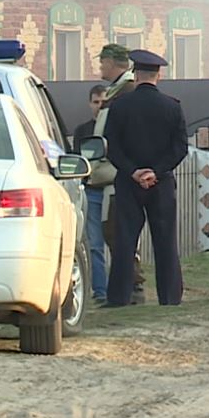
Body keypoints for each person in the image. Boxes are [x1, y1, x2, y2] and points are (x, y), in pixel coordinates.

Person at [102, 50, 189, 306]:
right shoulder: (172, 106)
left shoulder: (119, 106)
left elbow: (112, 146)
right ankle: (170, 296)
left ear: (135, 74)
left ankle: (119, 297)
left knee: (125, 239)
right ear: (158, 75)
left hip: (129, 183)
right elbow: (180, 147)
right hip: (160, 183)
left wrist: (133, 171)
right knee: (165, 240)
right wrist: (156, 171)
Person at [89, 44, 146, 304]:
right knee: (114, 231)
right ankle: (125, 289)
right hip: (111, 171)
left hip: (117, 172)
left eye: (102, 62)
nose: (100, 68)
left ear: (112, 62)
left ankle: (132, 288)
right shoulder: (117, 91)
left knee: (119, 232)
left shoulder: (125, 92)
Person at [73, 84, 109, 303]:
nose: (99, 106)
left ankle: (121, 287)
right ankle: (100, 290)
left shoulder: (114, 127)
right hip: (92, 189)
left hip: (113, 188)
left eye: (103, 102)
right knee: (94, 243)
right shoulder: (82, 131)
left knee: (119, 242)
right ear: (90, 103)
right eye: (96, 102)